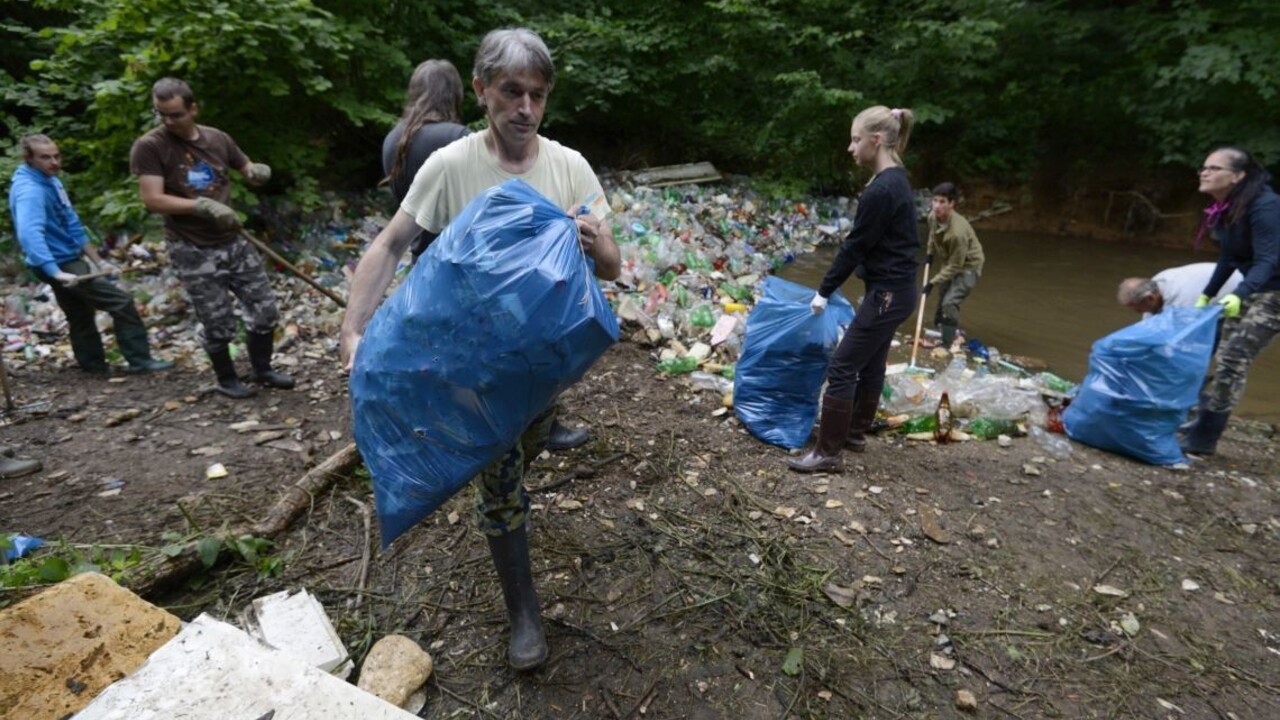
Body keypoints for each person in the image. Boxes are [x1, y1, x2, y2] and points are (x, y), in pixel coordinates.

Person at [340, 28, 621, 670]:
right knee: (498, 479)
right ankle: (523, 612)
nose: (525, 108)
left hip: (545, 360)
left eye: (538, 95)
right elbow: (388, 247)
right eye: (511, 92)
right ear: (480, 90)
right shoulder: (451, 166)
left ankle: (541, 428)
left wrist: (592, 240)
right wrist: (354, 331)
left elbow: (611, 265)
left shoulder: (568, 167)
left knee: (530, 430)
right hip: (474, 365)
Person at [129, 78, 294, 398]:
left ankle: (263, 369)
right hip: (191, 246)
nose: (168, 121)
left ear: (193, 108)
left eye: (175, 114)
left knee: (264, 310)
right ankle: (227, 379)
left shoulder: (217, 139)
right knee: (217, 320)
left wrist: (256, 171)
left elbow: (245, 166)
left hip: (232, 240)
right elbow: (152, 199)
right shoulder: (150, 146)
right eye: (161, 114)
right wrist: (201, 206)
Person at [790, 106, 920, 472]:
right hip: (897, 290)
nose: (851, 148)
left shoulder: (882, 189)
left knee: (844, 365)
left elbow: (854, 247)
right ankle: (854, 432)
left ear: (875, 141)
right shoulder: (895, 179)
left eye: (855, 139)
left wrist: (824, 290)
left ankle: (828, 452)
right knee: (872, 361)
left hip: (889, 294)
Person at [9, 134, 173, 376]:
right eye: (45, 157)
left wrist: (99, 260)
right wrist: (55, 272)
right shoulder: (31, 191)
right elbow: (29, 234)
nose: (54, 162)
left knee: (79, 311)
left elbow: (72, 224)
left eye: (56, 156)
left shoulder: (51, 181)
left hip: (64, 258)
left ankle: (93, 366)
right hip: (58, 262)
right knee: (121, 302)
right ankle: (140, 360)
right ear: (29, 159)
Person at [1179, 147, 1280, 456]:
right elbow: (1230, 256)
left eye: (1214, 168)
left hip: (1274, 290)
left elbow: (1269, 258)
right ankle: (1194, 414)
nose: (1204, 172)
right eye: (1203, 166)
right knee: (1213, 346)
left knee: (1234, 357)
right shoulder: (1225, 208)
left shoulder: (1265, 206)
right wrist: (1208, 293)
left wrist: (1239, 294)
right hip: (1256, 286)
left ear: (1237, 176)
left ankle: (1205, 437)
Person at [381, 59, 470, 262]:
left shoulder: (392, 140)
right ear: (455, 95)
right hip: (457, 265)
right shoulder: (458, 138)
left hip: (419, 264)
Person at [923, 182, 983, 349]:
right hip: (950, 259)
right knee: (942, 294)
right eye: (935, 201)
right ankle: (938, 328)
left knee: (949, 302)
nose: (937, 206)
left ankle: (947, 343)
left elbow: (956, 266)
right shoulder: (932, 217)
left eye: (942, 202)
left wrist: (931, 282)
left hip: (968, 265)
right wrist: (929, 254)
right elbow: (932, 237)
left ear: (951, 203)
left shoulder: (958, 232)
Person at [1117, 263, 1242, 317]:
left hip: (1246, 292)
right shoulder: (1156, 283)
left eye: (1139, 310)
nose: (1139, 313)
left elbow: (1187, 333)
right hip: (1214, 282)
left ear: (1150, 298)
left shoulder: (1184, 300)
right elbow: (1149, 324)